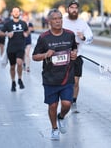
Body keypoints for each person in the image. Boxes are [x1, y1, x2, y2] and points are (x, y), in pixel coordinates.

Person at [32, 8, 78, 140]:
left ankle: (61, 117)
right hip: (50, 78)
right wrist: (46, 54)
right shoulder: (44, 38)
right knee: (52, 105)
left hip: (67, 76)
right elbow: (34, 56)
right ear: (49, 21)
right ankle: (54, 128)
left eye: (60, 19)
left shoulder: (69, 35)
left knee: (67, 104)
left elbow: (74, 48)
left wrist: (74, 54)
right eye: (55, 19)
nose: (58, 21)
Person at [62, 1, 93, 113]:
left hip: (78, 56)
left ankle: (73, 101)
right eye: (72, 8)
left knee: (75, 81)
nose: (74, 10)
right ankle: (65, 99)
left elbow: (90, 37)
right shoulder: (63, 22)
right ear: (68, 9)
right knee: (65, 80)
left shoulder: (82, 23)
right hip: (64, 56)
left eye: (76, 8)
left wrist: (83, 37)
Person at [0, 6, 29, 92]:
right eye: (14, 11)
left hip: (20, 47)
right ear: (12, 13)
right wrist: (7, 34)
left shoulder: (23, 23)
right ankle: (13, 82)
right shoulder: (8, 24)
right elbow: (0, 33)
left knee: (19, 63)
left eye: (17, 11)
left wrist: (26, 34)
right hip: (11, 48)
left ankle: (20, 79)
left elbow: (27, 31)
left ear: (20, 13)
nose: (16, 13)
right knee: (12, 66)